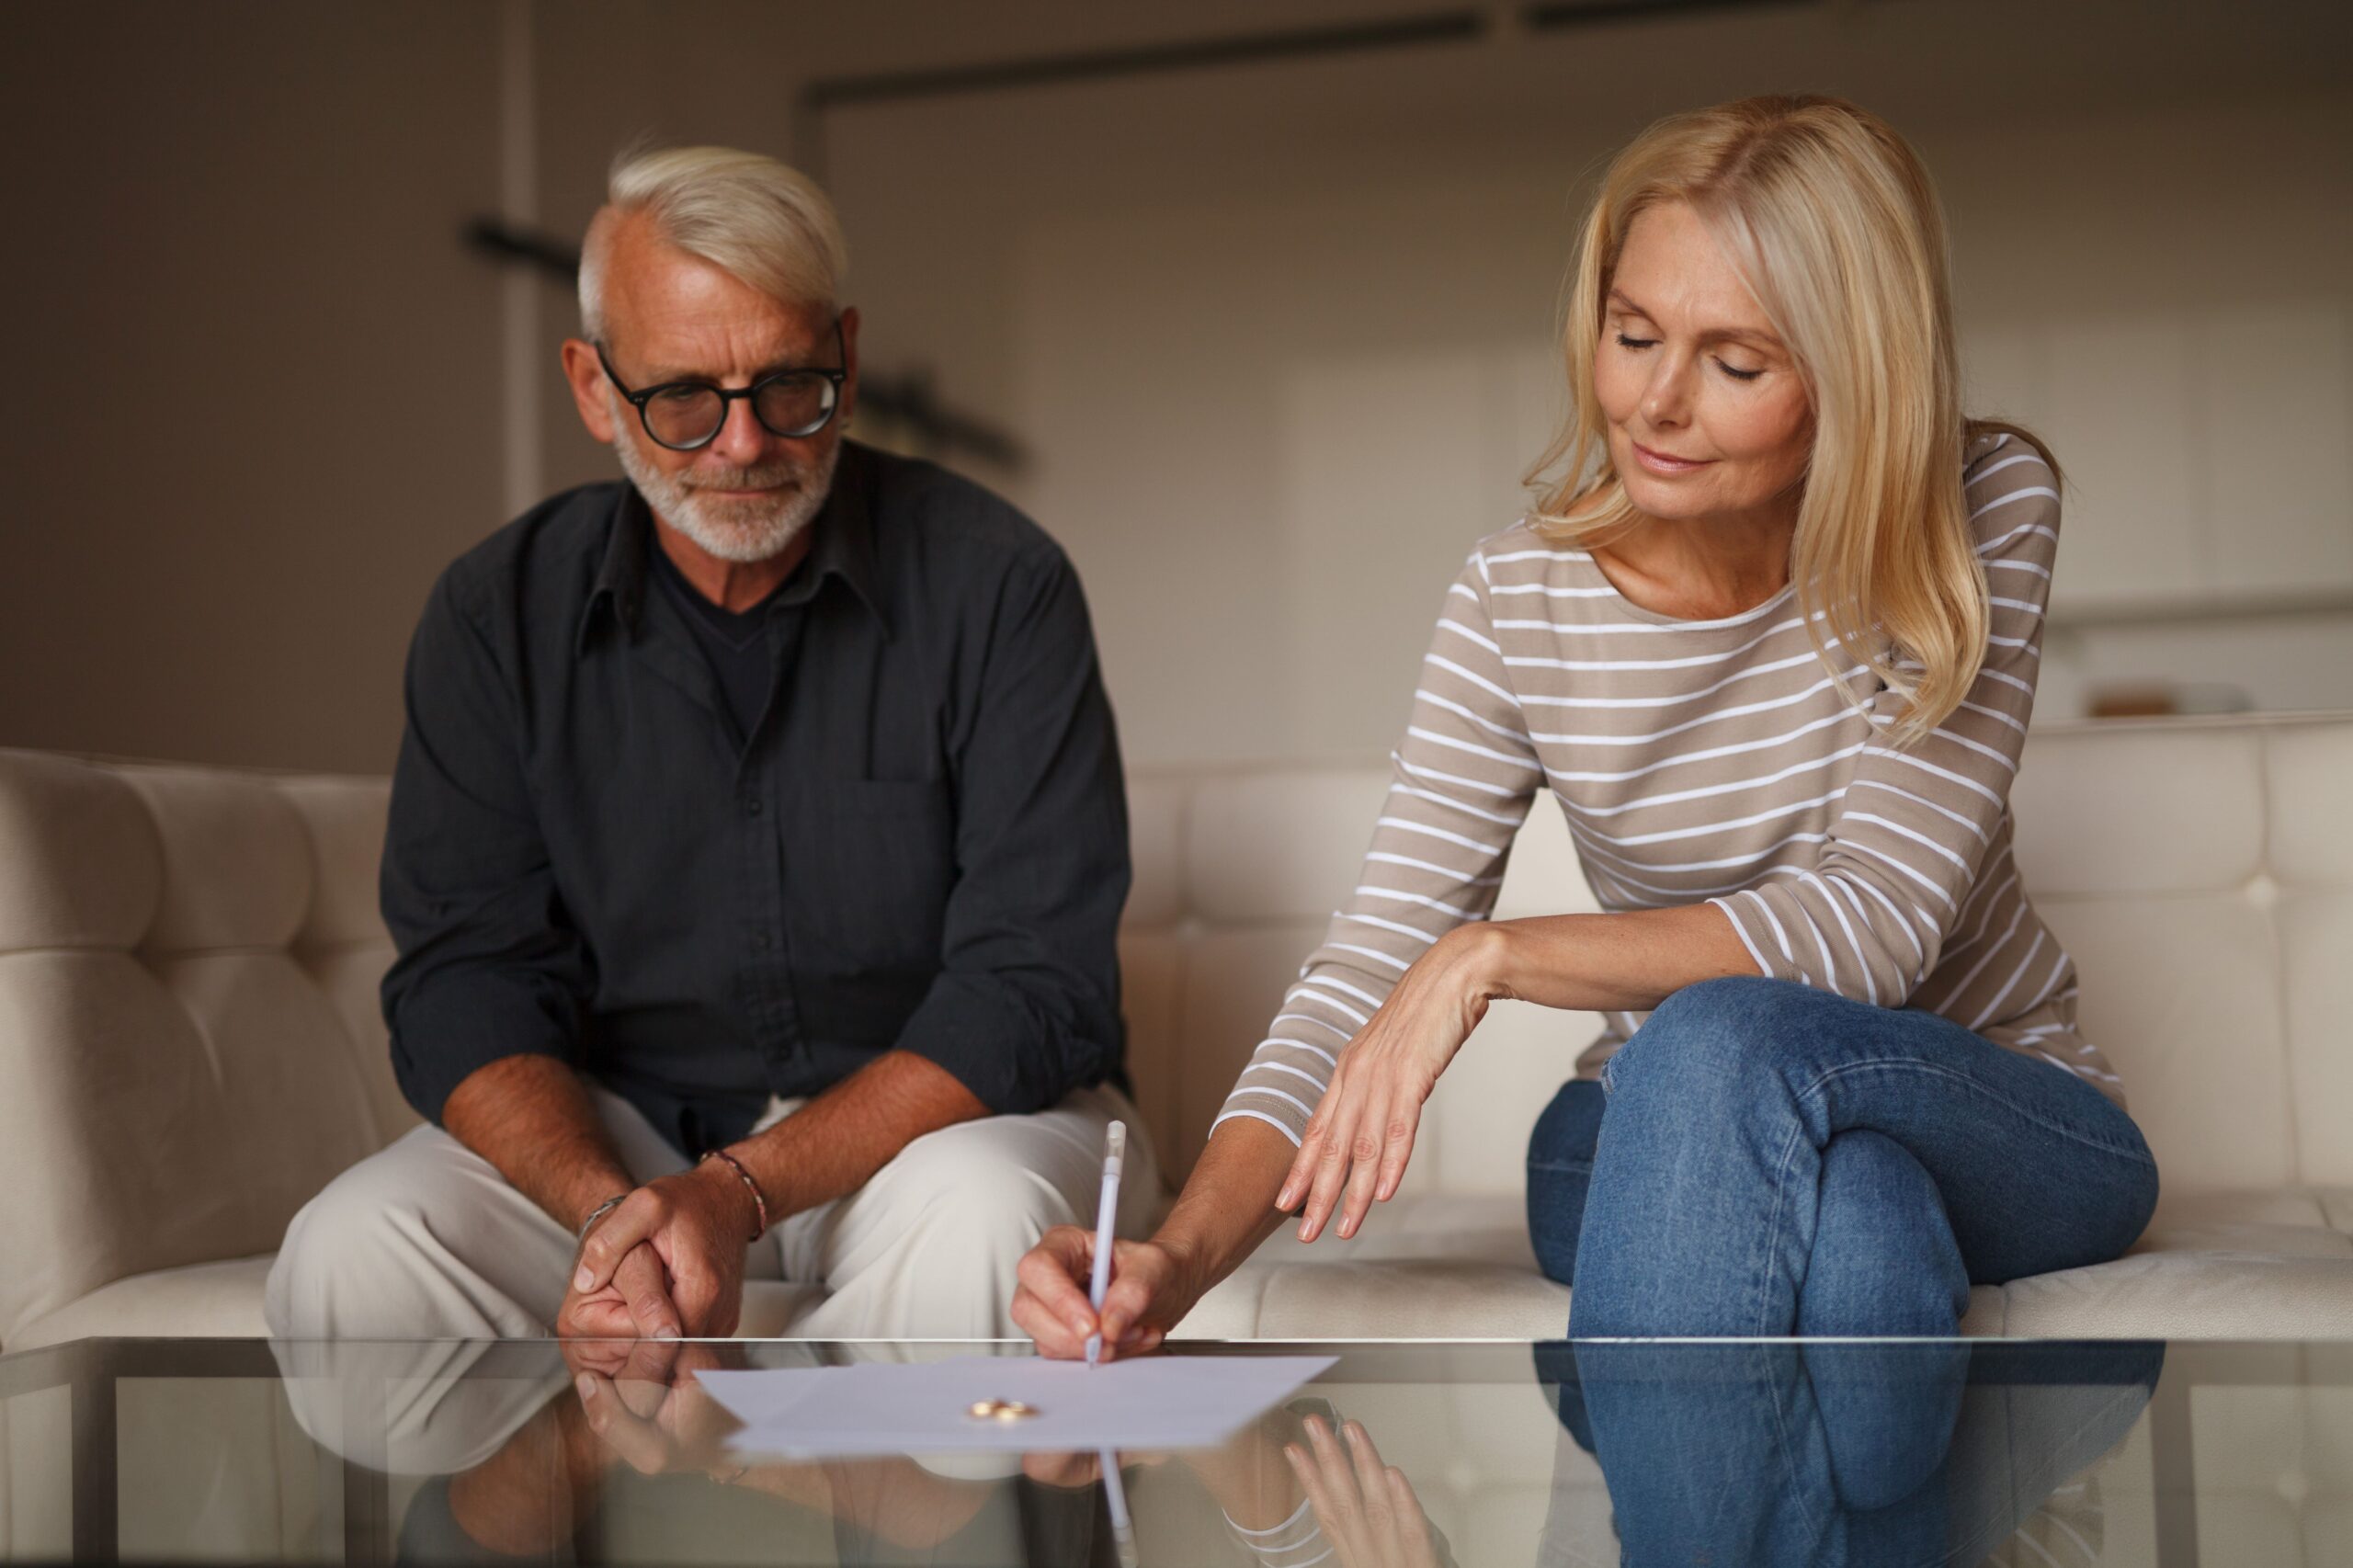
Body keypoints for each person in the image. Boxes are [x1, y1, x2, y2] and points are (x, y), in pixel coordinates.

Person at [1013, 94, 2156, 1356]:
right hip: (1654, 1113)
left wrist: (1489, 957)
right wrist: (1170, 1266)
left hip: (1994, 1098)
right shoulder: (1516, 601)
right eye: (1632, 333)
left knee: (1722, 1034)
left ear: (1854, 381)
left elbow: (1868, 926)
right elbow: (1366, 971)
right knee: (1861, 1226)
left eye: (1734, 362)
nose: (1657, 402)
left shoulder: (1978, 507)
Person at [267, 145, 1155, 1348]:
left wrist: (736, 1191)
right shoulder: (493, 615)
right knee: (353, 1256)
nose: (744, 444)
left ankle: (882, 1520)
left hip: (948, 1130)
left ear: (844, 354)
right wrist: (616, 1215)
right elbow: (465, 982)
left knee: (983, 1224)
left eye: (790, 386)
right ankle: (528, 1516)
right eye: (682, 396)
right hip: (620, 1135)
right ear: (593, 389)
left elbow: (1031, 986)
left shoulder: (1000, 583)